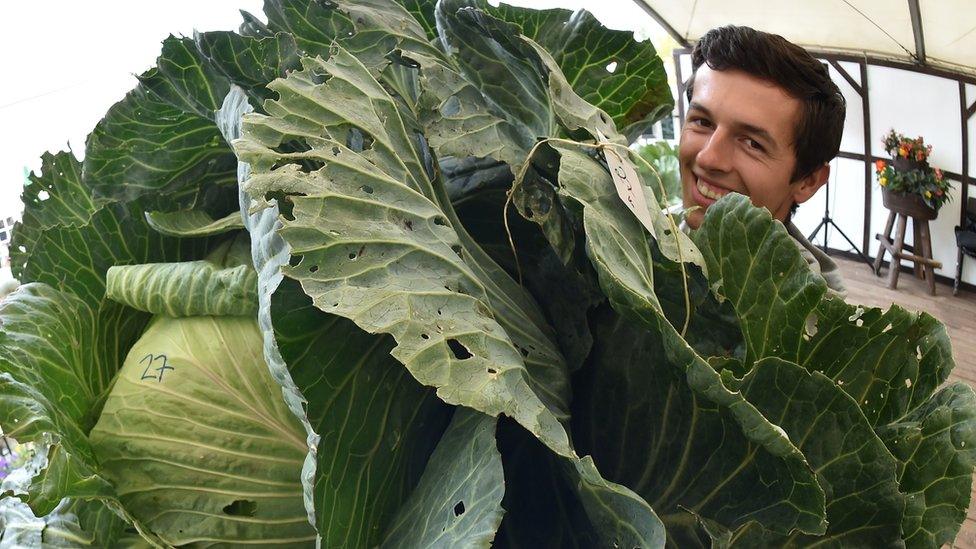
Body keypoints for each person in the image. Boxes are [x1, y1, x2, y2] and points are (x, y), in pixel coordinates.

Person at [679, 25, 847, 295]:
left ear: (808, 182)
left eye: (752, 143)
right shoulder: (639, 234)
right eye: (702, 122)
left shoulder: (816, 330)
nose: (709, 157)